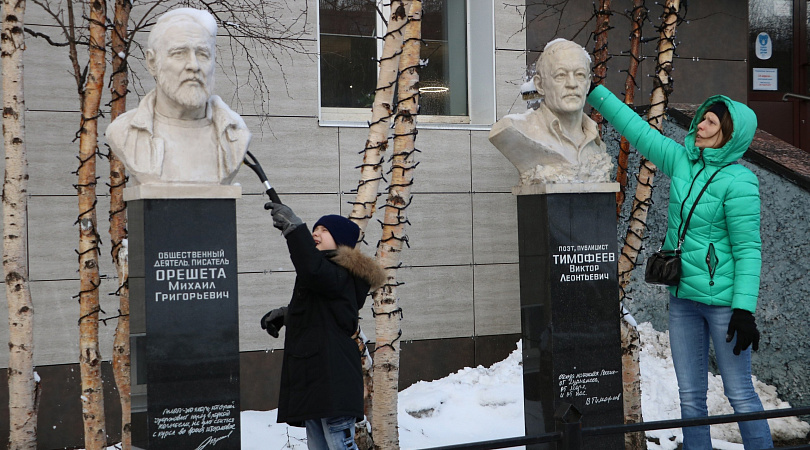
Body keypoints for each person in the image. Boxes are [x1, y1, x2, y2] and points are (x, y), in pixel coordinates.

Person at [587, 85, 773, 449]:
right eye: (702, 118)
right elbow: (638, 130)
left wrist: (743, 310)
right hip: (684, 300)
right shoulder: (682, 160)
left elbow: (749, 250)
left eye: (710, 121)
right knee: (690, 396)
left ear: (729, 134)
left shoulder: (740, 182)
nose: (700, 125)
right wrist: (595, 91)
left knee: (740, 394)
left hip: (724, 307)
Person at [260, 202, 385, 450]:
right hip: (317, 384)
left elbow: (314, 271)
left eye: (323, 230)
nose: (316, 233)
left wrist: (296, 230)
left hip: (333, 383)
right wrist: (287, 315)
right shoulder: (328, 275)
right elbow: (323, 311)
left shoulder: (344, 273)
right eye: (314, 229)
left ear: (340, 242)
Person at [106, 8, 250, 186]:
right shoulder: (124, 132)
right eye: (179, 53)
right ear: (152, 63)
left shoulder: (234, 133)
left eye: (202, 54)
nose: (193, 65)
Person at [489, 39, 612, 184]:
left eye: (579, 75)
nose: (572, 84)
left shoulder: (596, 142)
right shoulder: (517, 129)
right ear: (540, 85)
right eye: (561, 75)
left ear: (587, 84)